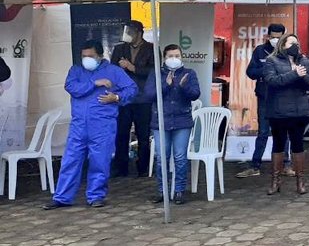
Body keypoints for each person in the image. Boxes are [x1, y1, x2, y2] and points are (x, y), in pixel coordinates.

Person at [44, 40, 137, 209]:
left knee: (99, 161)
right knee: (70, 160)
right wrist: (94, 83)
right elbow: (71, 87)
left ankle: (95, 196)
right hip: (79, 124)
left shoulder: (114, 71)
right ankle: (62, 197)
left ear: (100, 56)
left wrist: (116, 97)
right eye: (84, 56)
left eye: (91, 56)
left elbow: (132, 89)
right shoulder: (76, 70)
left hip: (102, 125)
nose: (87, 59)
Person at [141, 44, 201, 205]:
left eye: (177, 56)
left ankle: (179, 191)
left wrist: (183, 87)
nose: (174, 59)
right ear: (164, 58)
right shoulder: (156, 73)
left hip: (182, 121)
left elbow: (195, 94)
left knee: (180, 157)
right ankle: (162, 191)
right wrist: (166, 85)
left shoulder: (189, 73)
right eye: (170, 56)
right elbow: (149, 95)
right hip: (161, 121)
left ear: (182, 57)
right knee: (162, 157)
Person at [262, 34, 309, 195]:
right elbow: (272, 81)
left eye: (297, 43)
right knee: (278, 144)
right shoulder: (272, 61)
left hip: (298, 110)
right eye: (292, 43)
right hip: (278, 110)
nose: (295, 46)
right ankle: (275, 180)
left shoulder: (304, 61)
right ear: (283, 44)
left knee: (298, 144)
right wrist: (293, 74)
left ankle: (300, 181)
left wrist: (303, 75)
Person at [237, 23, 291, 178]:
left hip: (282, 97)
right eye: (273, 37)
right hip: (264, 96)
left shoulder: (288, 51)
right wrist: (266, 69)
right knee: (263, 131)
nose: (275, 40)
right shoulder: (260, 50)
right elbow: (250, 72)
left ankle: (286, 165)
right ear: (268, 36)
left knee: (283, 132)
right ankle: (255, 166)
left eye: (279, 37)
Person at [111, 20, 155, 178]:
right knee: (121, 133)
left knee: (143, 135)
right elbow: (112, 70)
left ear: (139, 33)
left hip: (143, 98)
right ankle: (120, 167)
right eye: (126, 31)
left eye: (130, 31)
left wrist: (133, 68)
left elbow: (153, 71)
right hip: (124, 98)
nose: (127, 34)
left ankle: (143, 167)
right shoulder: (119, 49)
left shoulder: (151, 49)